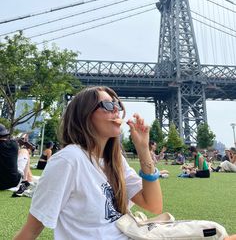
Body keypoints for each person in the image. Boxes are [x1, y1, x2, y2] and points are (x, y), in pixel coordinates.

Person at [14, 86, 162, 240]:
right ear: (85, 115)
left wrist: (143, 150)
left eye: (117, 105)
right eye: (108, 105)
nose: (116, 110)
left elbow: (153, 204)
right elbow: (31, 230)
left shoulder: (115, 159)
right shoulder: (68, 160)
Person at [0, 124, 33, 193]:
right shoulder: (14, 144)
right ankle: (26, 180)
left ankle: (27, 179)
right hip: (13, 182)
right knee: (24, 151)